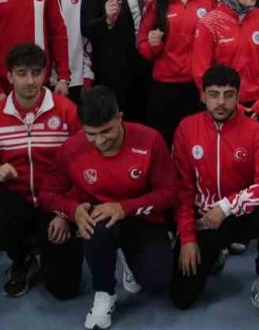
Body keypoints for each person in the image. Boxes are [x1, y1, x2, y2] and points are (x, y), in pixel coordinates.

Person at [40, 86, 176, 330]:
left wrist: (125, 207)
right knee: (96, 225)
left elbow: (169, 193)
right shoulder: (71, 148)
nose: (100, 141)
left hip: (140, 219)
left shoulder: (150, 139)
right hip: (98, 219)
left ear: (119, 118)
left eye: (106, 131)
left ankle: (128, 258)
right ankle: (104, 293)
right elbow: (48, 193)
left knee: (157, 283)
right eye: (91, 134)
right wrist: (72, 210)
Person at [169, 65, 259, 320]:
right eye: (214, 94)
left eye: (228, 94)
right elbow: (182, 189)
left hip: (240, 214)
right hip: (204, 220)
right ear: (203, 96)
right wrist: (188, 237)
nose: (221, 102)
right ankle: (213, 254)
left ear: (238, 95)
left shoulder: (256, 131)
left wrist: (226, 207)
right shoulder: (186, 129)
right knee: (182, 297)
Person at [0, 43, 83, 300]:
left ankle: (48, 250)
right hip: (17, 202)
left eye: (36, 73)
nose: (30, 81)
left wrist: (65, 213)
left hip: (56, 206)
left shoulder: (66, 110)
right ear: (9, 76)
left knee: (65, 290)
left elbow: (86, 167)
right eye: (22, 73)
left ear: (45, 74)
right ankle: (22, 259)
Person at [137, 0, 215, 146]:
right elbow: (143, 48)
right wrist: (153, 44)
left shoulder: (209, 2)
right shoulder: (156, 3)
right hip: (165, 87)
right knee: (165, 144)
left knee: (198, 144)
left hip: (199, 87)